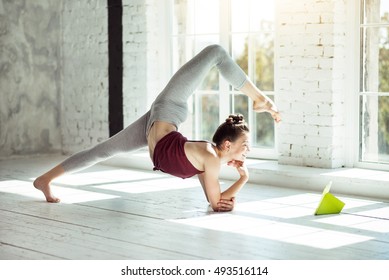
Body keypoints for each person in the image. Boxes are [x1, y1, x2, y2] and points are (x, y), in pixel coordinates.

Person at [33, 44, 281, 212]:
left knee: (102, 151)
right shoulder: (209, 157)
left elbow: (213, 201)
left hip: (154, 129)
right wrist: (244, 179)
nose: (247, 152)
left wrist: (238, 183)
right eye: (245, 147)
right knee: (215, 52)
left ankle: (44, 179)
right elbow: (218, 203)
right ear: (228, 144)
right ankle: (260, 99)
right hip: (167, 110)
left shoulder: (208, 161)